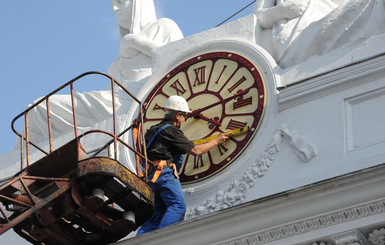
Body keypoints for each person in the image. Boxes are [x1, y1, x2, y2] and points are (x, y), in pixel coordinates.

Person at [136, 95, 230, 235]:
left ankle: (140, 240)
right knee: (177, 206)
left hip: (151, 177)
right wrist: (216, 141)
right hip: (164, 173)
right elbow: (196, 150)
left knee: (158, 215)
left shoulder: (152, 130)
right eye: (185, 116)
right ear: (178, 116)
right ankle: (162, 240)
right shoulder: (171, 130)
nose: (185, 120)